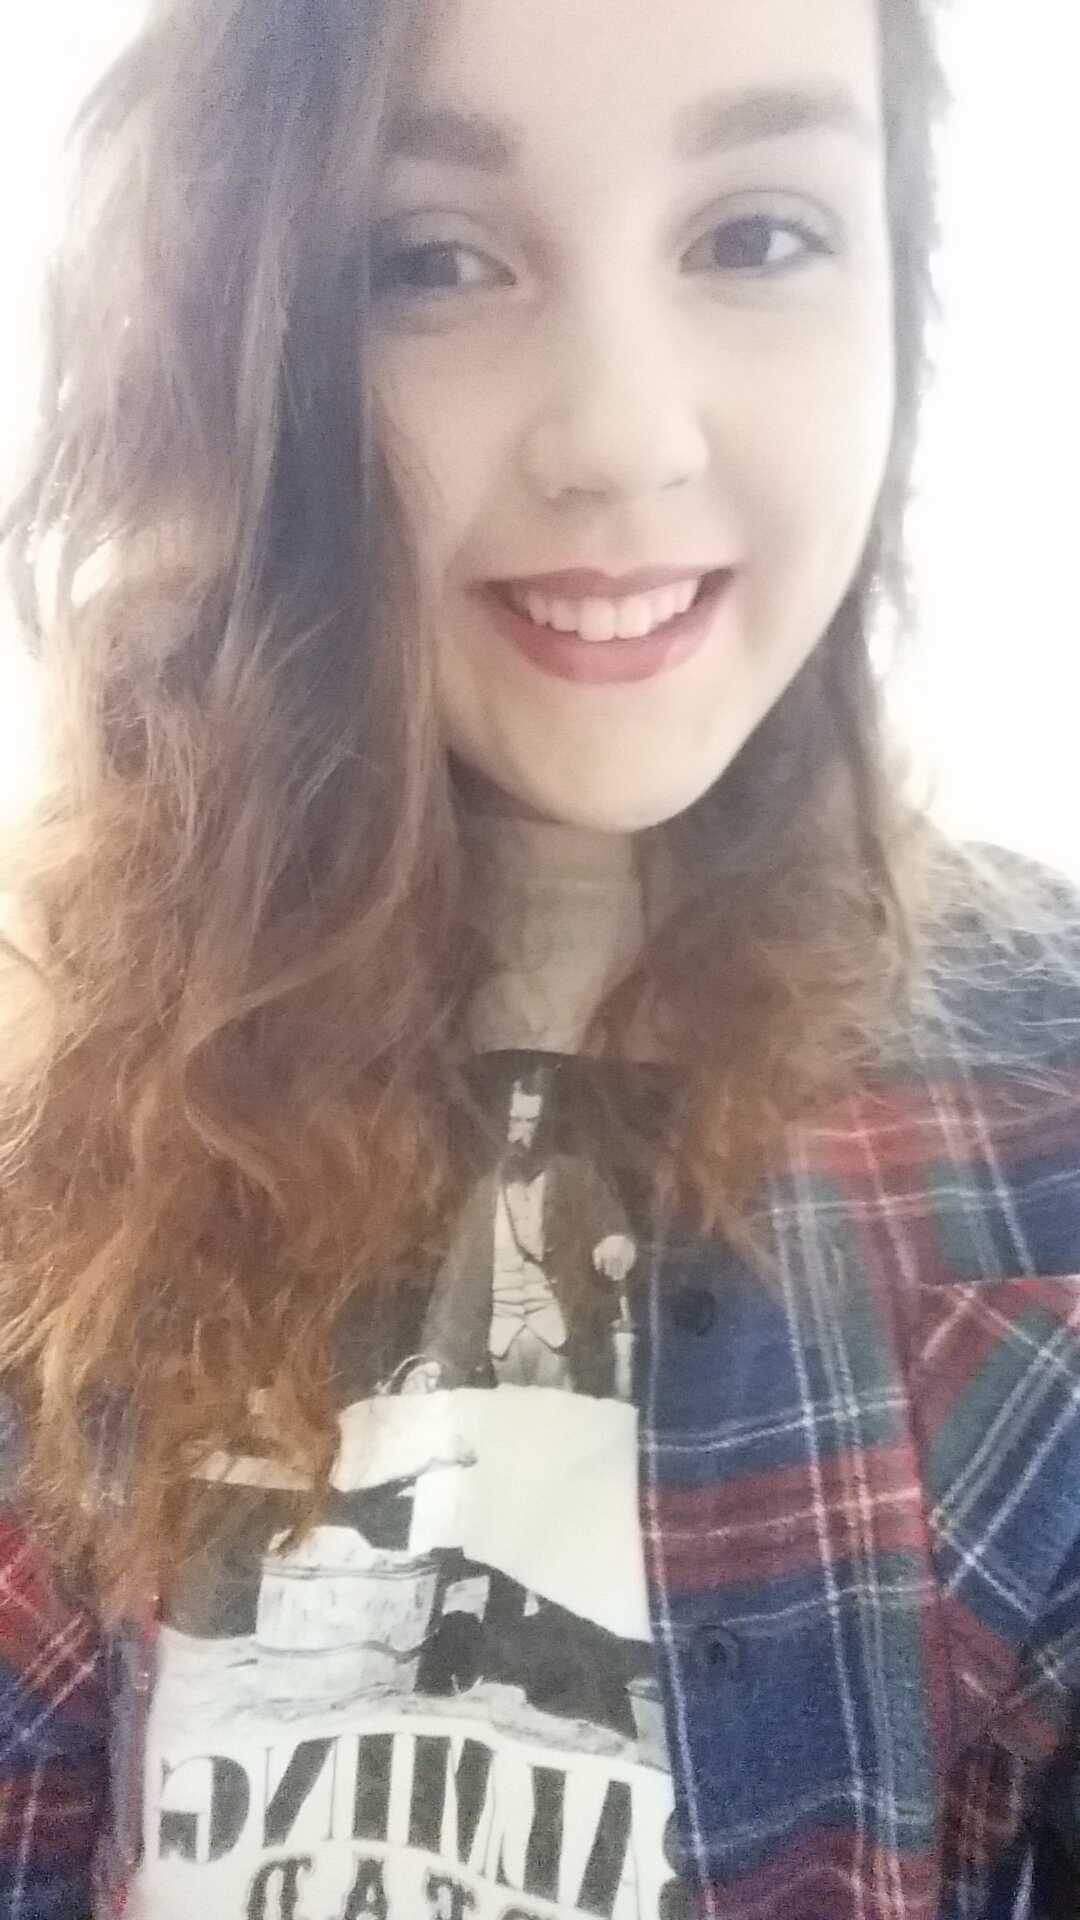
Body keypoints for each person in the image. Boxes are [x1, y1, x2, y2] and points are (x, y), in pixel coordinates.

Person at [0, 0, 1078, 1915]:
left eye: (756, 235)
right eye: (432, 261)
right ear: (248, 341)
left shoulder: (1043, 1107)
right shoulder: (47, 1090)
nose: (620, 440)